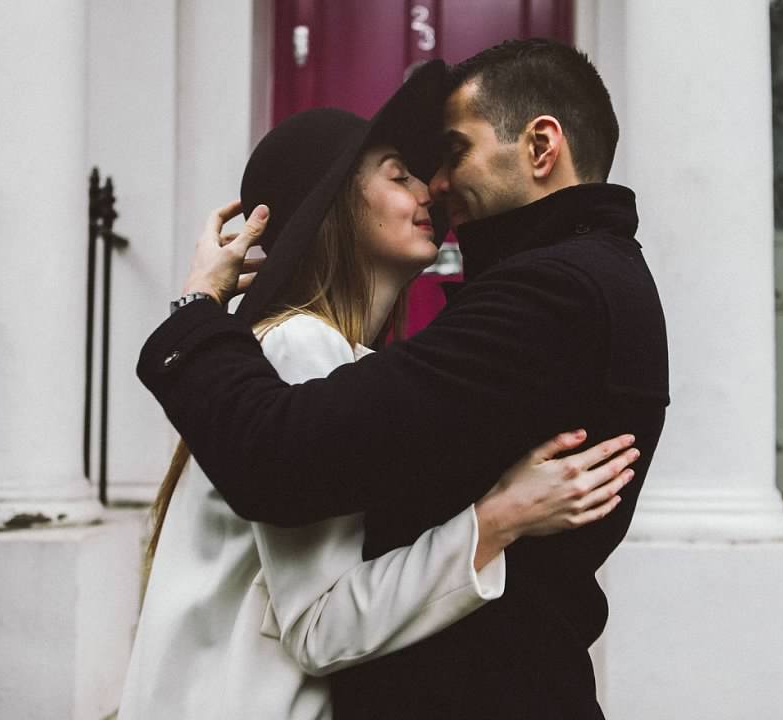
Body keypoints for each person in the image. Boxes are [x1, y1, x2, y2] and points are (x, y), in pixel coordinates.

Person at [138, 40, 669, 719]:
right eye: (403, 174)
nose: (434, 187)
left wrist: (198, 320)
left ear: (541, 147)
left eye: (453, 153)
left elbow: (285, 466)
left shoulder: (555, 291)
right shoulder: (303, 343)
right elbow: (314, 596)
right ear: (337, 207)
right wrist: (497, 518)